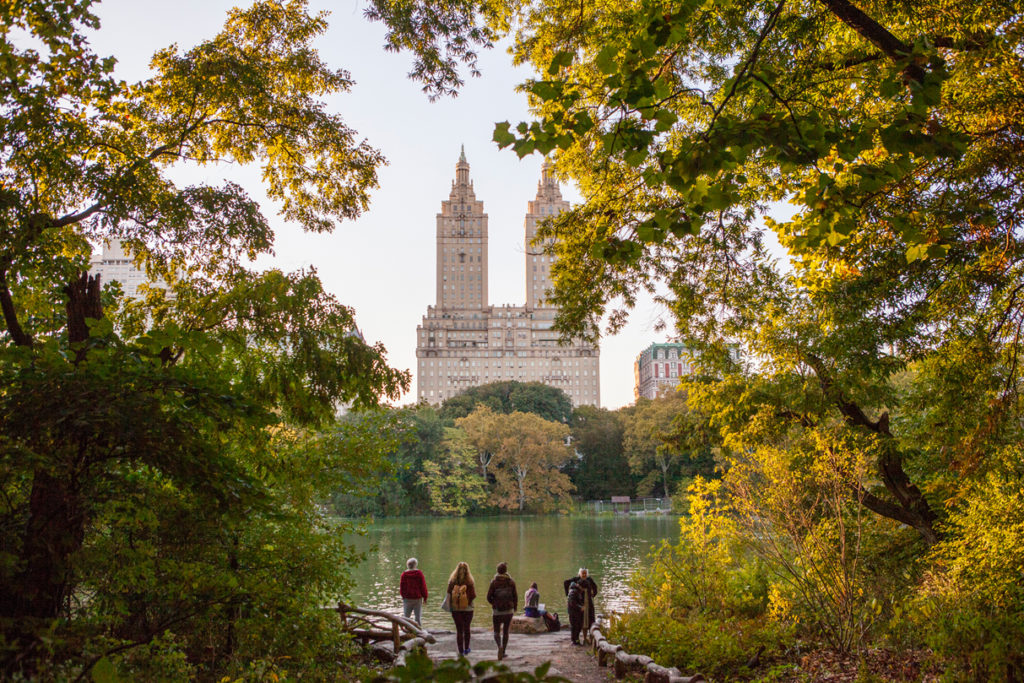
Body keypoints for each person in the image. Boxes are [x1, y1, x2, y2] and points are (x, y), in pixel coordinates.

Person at [486, 561, 518, 661]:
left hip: (497, 611)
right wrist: (515, 607)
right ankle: (503, 651)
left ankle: (499, 646)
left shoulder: (494, 582)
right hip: (509, 610)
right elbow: (515, 596)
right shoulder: (511, 582)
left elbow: (488, 597)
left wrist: (494, 604)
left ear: (497, 571)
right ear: (506, 571)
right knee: (505, 632)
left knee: (496, 632)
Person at [446, 561, 477, 656]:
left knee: (459, 630)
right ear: (467, 571)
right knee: (467, 628)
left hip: (456, 609)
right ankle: (467, 649)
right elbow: (473, 595)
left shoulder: (452, 582)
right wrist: (466, 601)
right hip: (468, 609)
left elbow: (448, 595)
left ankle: (460, 651)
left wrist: (452, 605)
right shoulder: (470, 582)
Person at [563, 567, 598, 645]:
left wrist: (593, 594)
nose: (584, 575)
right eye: (583, 573)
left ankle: (590, 638)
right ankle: (578, 639)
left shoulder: (589, 580)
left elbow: (595, 587)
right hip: (579, 604)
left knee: (590, 620)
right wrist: (567, 594)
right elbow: (565, 582)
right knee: (579, 621)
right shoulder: (576, 580)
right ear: (579, 574)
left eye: (585, 573)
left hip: (588, 603)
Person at [399, 557, 428, 626]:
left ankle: (406, 631)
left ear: (407, 565)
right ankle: (419, 631)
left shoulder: (404, 575)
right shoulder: (419, 574)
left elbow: (402, 587)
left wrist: (403, 596)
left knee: (406, 617)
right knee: (417, 618)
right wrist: (425, 597)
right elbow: (423, 586)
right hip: (417, 598)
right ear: (415, 565)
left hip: (407, 598)